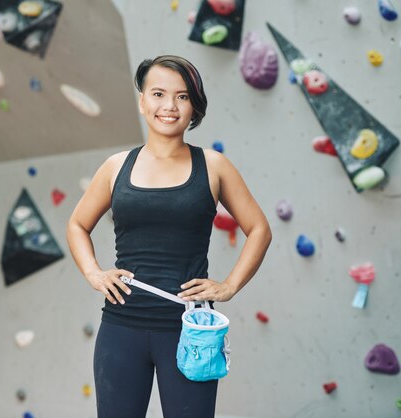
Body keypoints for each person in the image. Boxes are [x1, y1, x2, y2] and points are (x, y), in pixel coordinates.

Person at [66, 55, 272, 418]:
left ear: (194, 106)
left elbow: (259, 230)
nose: (169, 106)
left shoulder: (213, 165)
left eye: (182, 96)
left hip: (191, 331)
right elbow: (77, 225)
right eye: (158, 93)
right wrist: (95, 274)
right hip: (121, 328)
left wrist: (229, 286)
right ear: (142, 100)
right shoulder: (116, 166)